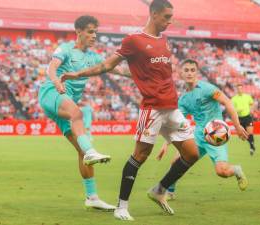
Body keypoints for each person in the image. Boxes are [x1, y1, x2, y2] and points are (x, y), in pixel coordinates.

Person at [61, 0, 203, 221]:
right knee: (140, 155)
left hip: (172, 108)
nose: (169, 21)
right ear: (154, 14)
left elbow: (162, 74)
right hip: (152, 109)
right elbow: (106, 66)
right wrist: (77, 74)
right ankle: (122, 206)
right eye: (166, 16)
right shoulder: (134, 41)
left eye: (171, 17)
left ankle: (158, 190)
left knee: (192, 154)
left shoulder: (165, 41)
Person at [38, 15, 127, 211]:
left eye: (96, 32)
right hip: (51, 92)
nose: (94, 35)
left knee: (80, 147)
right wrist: (56, 82)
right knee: (78, 114)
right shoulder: (66, 49)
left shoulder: (94, 57)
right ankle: (91, 151)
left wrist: (142, 72)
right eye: (90, 31)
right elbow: (51, 68)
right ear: (78, 31)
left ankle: (92, 197)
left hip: (66, 102)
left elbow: (115, 69)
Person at [156, 59, 249, 200]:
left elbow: (227, 102)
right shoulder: (184, 99)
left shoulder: (207, 89)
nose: (189, 73)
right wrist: (166, 143)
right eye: (186, 70)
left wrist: (237, 126)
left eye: (192, 70)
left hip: (217, 134)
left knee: (222, 172)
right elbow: (176, 122)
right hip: (199, 135)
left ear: (197, 72)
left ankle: (236, 170)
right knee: (176, 161)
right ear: (180, 73)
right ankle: (170, 192)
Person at [231, 84, 256, 155]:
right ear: (236, 90)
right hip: (239, 118)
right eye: (238, 89)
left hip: (247, 117)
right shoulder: (233, 99)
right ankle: (251, 143)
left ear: (242, 89)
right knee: (243, 136)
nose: (239, 90)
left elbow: (252, 104)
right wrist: (236, 110)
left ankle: (252, 147)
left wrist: (252, 110)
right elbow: (232, 109)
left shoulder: (247, 96)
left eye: (241, 88)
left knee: (250, 133)